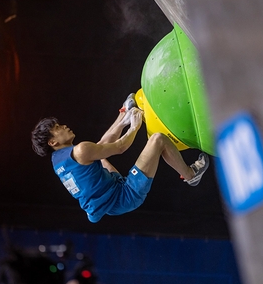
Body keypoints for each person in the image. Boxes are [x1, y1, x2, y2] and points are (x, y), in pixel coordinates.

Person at [31, 94, 209, 223]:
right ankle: (191, 175)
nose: (64, 126)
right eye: (57, 127)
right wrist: (134, 126)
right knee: (158, 139)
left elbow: (101, 145)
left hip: (110, 192)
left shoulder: (57, 161)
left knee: (99, 151)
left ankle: (124, 113)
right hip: (124, 196)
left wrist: (124, 118)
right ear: (53, 141)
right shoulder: (80, 150)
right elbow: (120, 147)